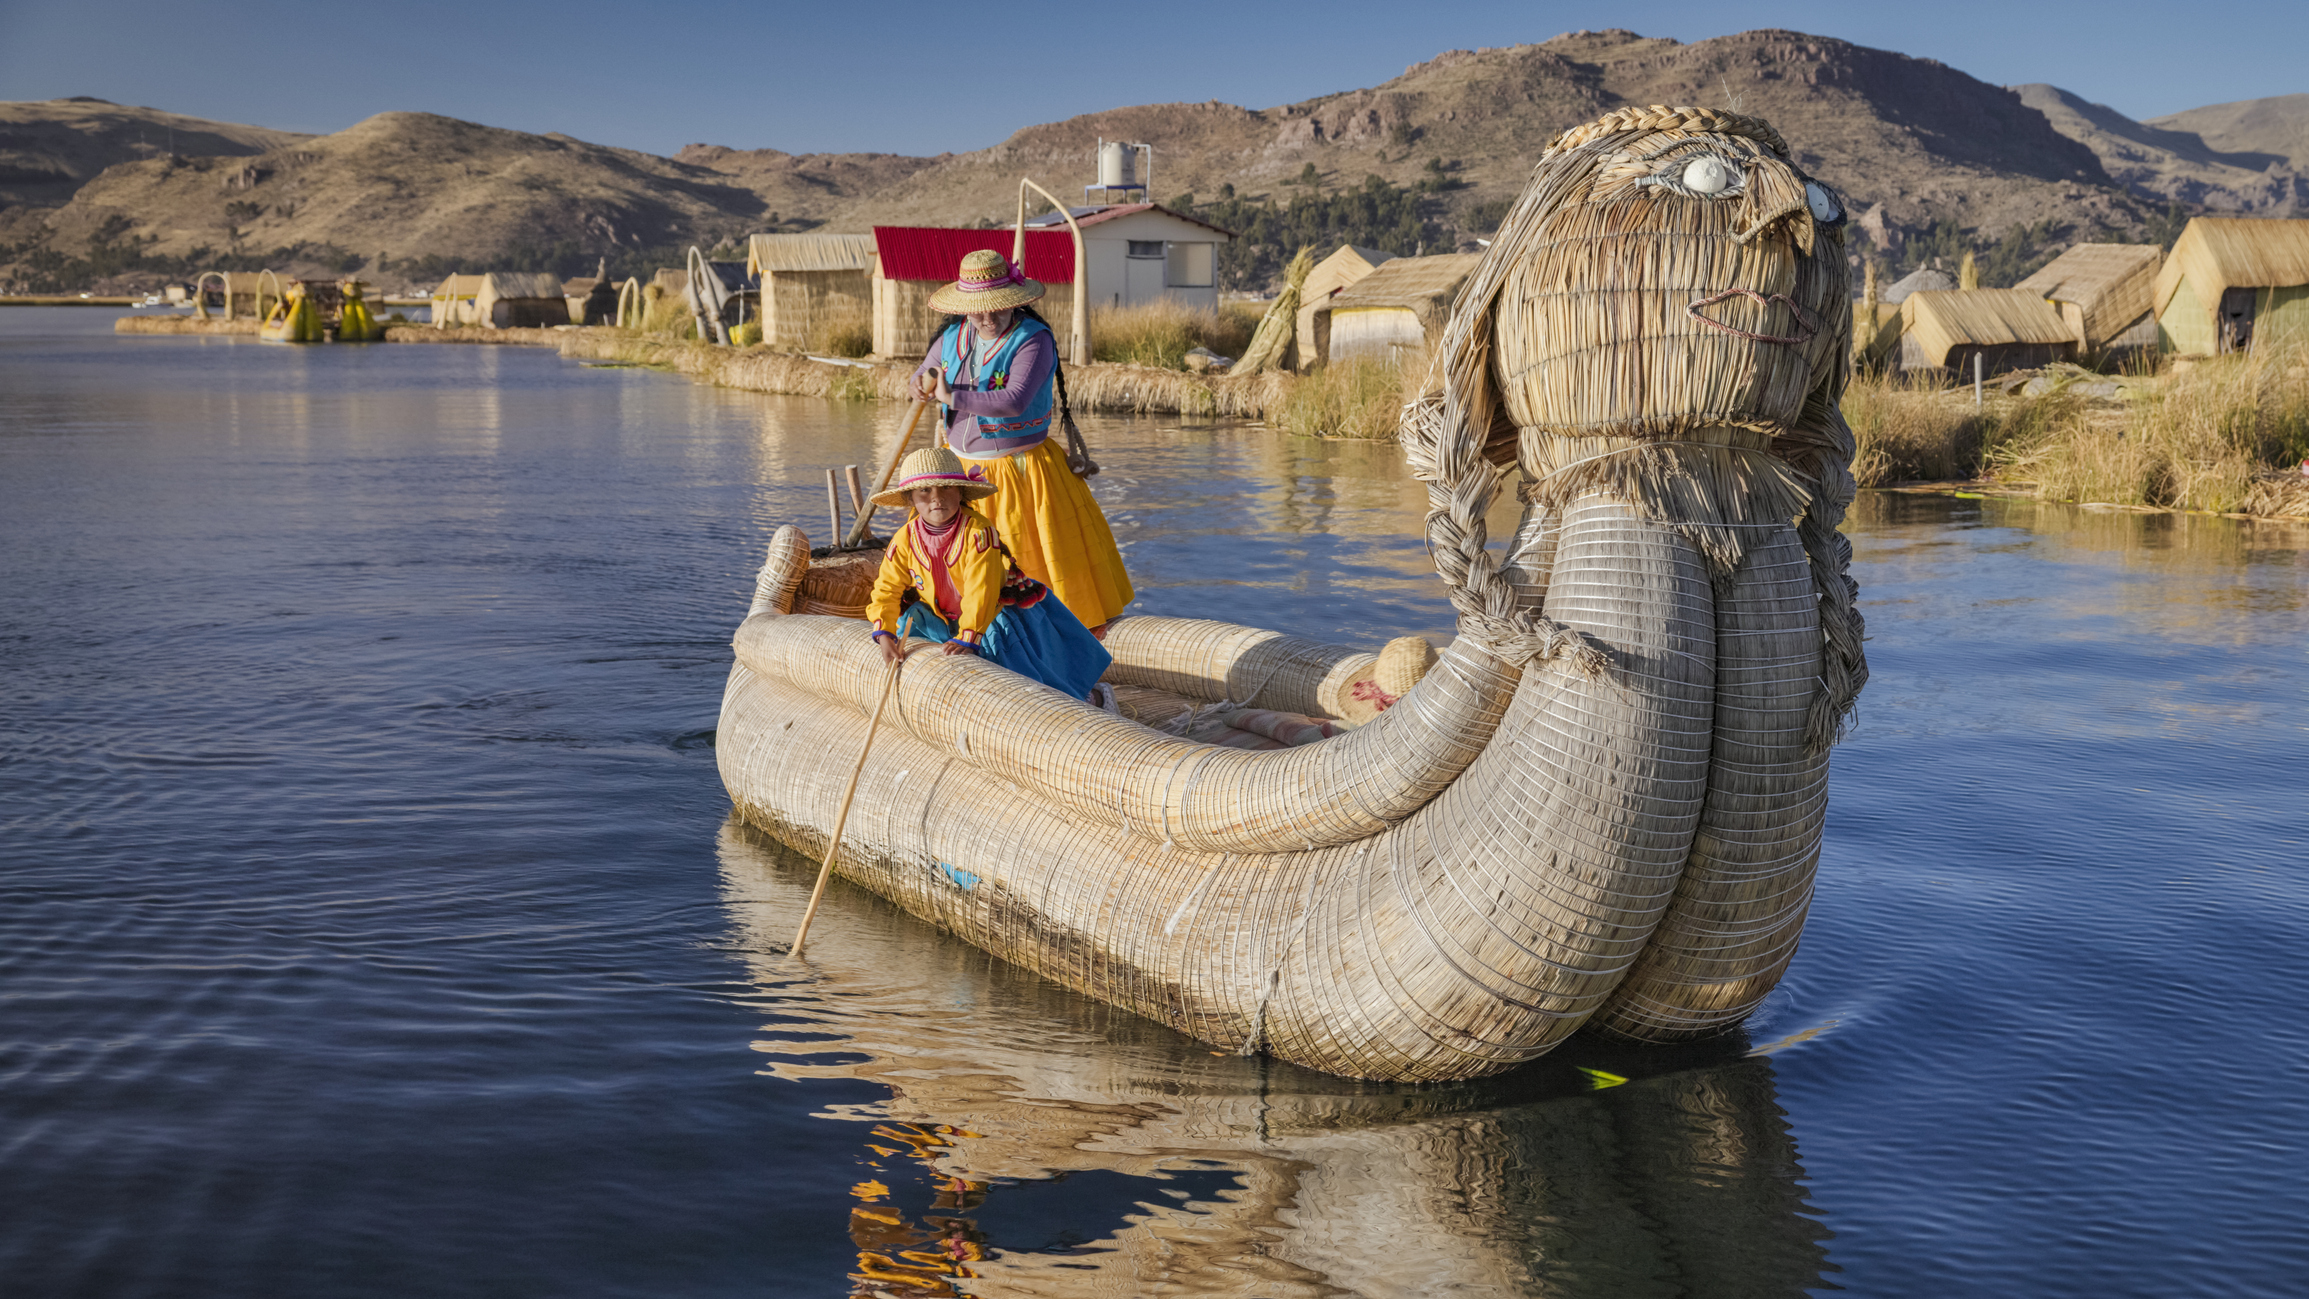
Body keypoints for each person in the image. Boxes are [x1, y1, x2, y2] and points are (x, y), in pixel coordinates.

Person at [911, 249, 1133, 635]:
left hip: (1019, 473)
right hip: (959, 473)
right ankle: (970, 636)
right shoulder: (953, 336)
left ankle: (1059, 643)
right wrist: (919, 381)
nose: (988, 318)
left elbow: (1013, 400)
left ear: (1015, 302)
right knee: (963, 568)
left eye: (997, 308)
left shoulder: (1033, 340)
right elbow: (927, 369)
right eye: (978, 310)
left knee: (1030, 562)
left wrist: (953, 397)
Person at [863, 446, 1111, 703]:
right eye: (925, 490)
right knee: (910, 629)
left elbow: (982, 588)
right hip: (941, 616)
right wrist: (885, 633)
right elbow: (887, 588)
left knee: (1018, 672)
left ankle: (1087, 700)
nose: (937, 499)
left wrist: (969, 635)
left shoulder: (979, 533)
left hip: (991, 612)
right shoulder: (904, 539)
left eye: (946, 488)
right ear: (909, 498)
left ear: (960, 492)